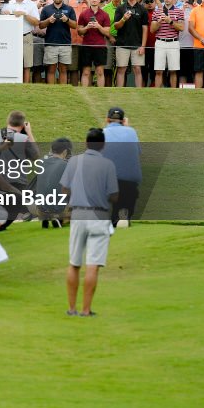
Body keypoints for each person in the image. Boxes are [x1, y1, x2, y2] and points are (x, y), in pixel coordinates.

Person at [61, 128, 119, 317]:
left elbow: (64, 190)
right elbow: (114, 195)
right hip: (99, 216)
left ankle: (71, 308)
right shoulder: (108, 165)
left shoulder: (74, 161)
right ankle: (86, 310)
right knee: (92, 264)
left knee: (74, 263)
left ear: (86, 142)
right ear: (103, 145)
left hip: (78, 214)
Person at [38, 0, 78, 84]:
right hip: (51, 43)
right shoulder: (46, 9)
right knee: (51, 69)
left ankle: (62, 91)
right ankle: (52, 91)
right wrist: (49, 20)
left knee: (63, 69)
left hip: (65, 43)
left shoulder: (69, 9)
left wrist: (67, 20)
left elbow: (75, 25)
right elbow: (40, 25)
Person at [150, 0, 185, 88]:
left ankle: (173, 93)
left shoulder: (179, 11)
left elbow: (181, 27)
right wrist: (159, 22)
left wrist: (170, 21)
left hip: (173, 42)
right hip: (160, 42)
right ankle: (157, 93)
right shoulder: (157, 11)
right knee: (159, 71)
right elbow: (152, 29)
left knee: (173, 70)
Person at [77, 0, 111, 87]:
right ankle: (84, 92)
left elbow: (107, 32)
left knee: (100, 71)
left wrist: (98, 26)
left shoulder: (105, 14)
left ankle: (100, 93)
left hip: (100, 46)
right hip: (86, 46)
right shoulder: (84, 14)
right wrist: (87, 27)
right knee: (86, 72)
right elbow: (79, 31)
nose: (94, 0)